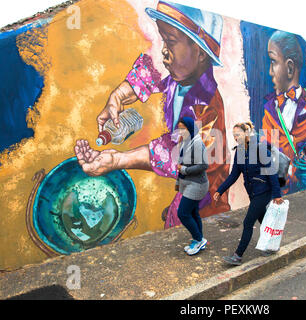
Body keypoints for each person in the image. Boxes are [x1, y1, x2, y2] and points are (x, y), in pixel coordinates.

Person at [78, 1, 231, 229]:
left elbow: (175, 152)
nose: (163, 50)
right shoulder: (181, 78)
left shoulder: (206, 106)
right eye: (163, 40)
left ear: (199, 52)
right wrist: (118, 96)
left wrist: (117, 159)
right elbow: (151, 73)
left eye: (170, 41)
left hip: (205, 201)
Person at [261, 30, 306, 192]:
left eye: (273, 61)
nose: (270, 71)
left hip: (305, 185)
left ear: (289, 68)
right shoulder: (270, 111)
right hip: (278, 187)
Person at [213, 122, 283, 266]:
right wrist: (220, 190)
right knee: (263, 220)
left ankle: (238, 256)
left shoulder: (260, 149)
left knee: (248, 223)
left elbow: (271, 172)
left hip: (263, 191)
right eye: (234, 135)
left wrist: (277, 194)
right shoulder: (239, 151)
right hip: (252, 191)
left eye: (238, 134)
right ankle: (271, 245)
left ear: (246, 133)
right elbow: (234, 175)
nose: (235, 137)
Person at [175, 117, 209, 255]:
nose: (181, 131)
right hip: (188, 183)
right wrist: (179, 182)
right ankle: (199, 239)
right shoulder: (185, 142)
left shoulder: (197, 143)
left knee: (183, 213)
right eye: (179, 128)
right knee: (193, 212)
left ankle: (198, 239)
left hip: (197, 184)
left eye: (183, 128)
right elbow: (181, 162)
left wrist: (184, 170)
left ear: (190, 128)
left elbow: (204, 165)